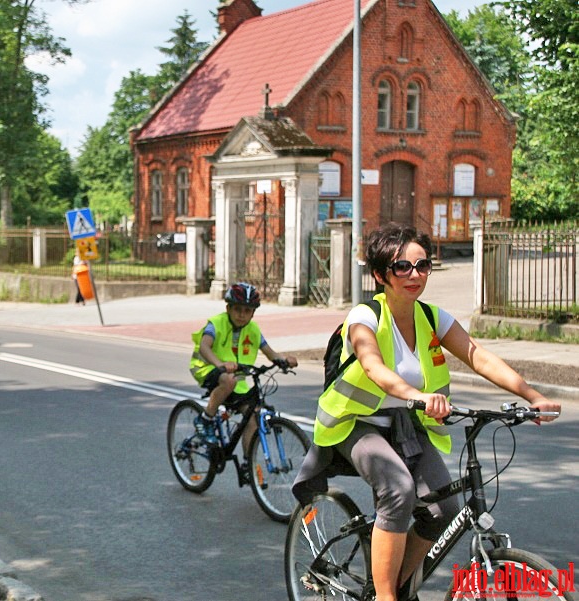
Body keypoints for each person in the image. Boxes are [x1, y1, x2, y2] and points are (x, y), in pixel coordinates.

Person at [293, 222, 561, 601]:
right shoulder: (364, 317)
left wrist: (533, 396)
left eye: (422, 266)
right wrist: (415, 394)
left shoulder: (432, 317)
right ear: (380, 274)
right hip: (353, 423)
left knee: (444, 509)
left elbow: (477, 355)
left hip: (403, 424)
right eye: (402, 267)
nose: (414, 275)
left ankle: (398, 584)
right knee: (399, 490)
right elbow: (372, 365)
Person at [189, 282, 298, 452]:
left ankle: (249, 468)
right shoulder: (217, 323)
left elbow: (270, 353)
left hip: (234, 378)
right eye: (238, 309)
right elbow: (204, 347)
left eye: (247, 311)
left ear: (253, 313)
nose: (242, 315)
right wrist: (220, 365)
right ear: (228, 308)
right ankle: (205, 418)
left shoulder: (253, 329)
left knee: (253, 417)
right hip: (207, 368)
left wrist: (284, 359)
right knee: (228, 381)